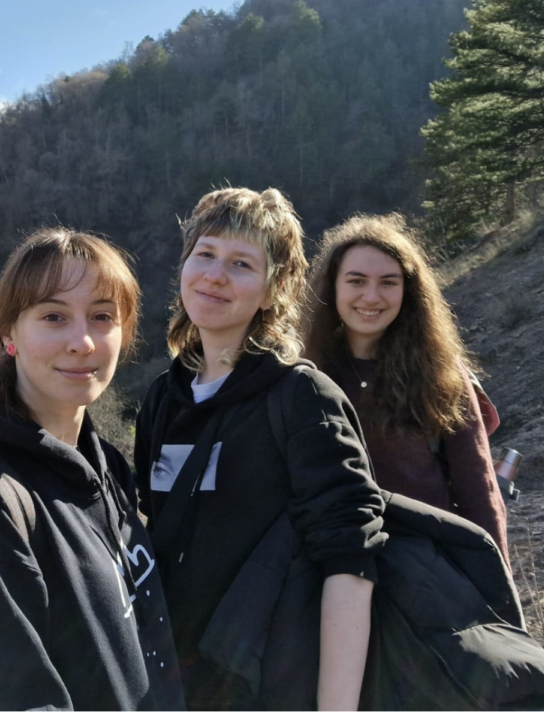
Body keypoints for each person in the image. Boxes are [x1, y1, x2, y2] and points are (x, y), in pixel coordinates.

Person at [133, 187, 386, 711]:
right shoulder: (163, 398)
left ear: (274, 290)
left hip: (272, 686)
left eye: (241, 263)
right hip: (177, 685)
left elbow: (350, 559)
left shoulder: (301, 397)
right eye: (205, 254)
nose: (215, 275)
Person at [0, 228, 184, 710]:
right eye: (53, 316)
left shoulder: (106, 466)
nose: (82, 341)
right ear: (9, 335)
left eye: (102, 316)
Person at [303, 212, 509, 565]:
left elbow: (478, 490)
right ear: (332, 286)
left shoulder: (440, 374)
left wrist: (497, 581)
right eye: (356, 280)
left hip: (425, 569)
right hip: (329, 567)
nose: (371, 296)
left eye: (388, 282)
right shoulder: (304, 372)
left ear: (408, 290)